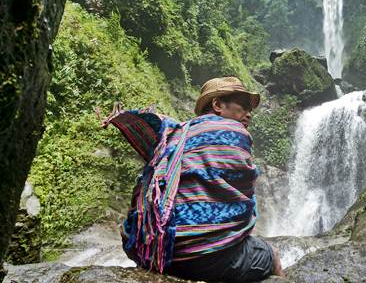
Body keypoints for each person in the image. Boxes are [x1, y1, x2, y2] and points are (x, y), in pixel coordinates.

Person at [102, 76, 284, 282]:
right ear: (217, 105)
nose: (249, 114)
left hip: (153, 252)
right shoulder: (234, 131)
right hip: (205, 257)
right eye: (243, 106)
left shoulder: (175, 135)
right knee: (272, 256)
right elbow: (245, 188)